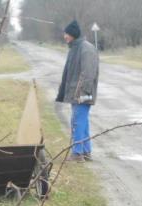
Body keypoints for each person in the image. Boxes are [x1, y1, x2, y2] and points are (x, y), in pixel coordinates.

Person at [56, 20, 99, 162]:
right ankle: (86, 152)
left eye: (66, 34)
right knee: (83, 122)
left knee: (77, 121)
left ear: (73, 34)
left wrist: (82, 93)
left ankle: (77, 153)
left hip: (82, 94)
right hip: (78, 93)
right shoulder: (75, 48)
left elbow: (88, 73)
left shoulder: (86, 48)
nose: (65, 36)